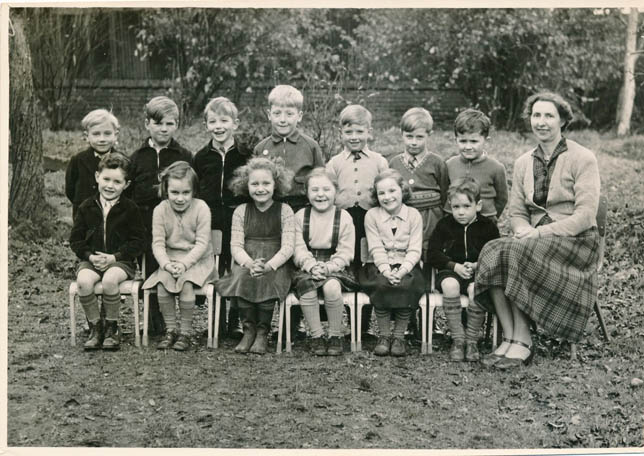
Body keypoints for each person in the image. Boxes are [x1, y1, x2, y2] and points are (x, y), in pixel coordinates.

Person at [475, 91, 601, 369]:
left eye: (548, 116)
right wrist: (522, 229)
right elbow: (517, 211)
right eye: (536, 115)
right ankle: (508, 336)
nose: (541, 122)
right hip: (532, 239)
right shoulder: (523, 162)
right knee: (493, 250)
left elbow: (585, 216)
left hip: (576, 242)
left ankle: (524, 341)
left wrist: (538, 233)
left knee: (519, 251)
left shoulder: (583, 158)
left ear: (563, 121)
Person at [253, 84, 324, 339]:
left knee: (297, 264)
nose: (283, 119)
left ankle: (294, 325)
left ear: (300, 116)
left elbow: (320, 179)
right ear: (269, 114)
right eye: (278, 113)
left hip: (301, 210)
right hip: (271, 211)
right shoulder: (262, 146)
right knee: (274, 262)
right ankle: (269, 322)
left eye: (289, 114)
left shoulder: (310, 146)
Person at [126, 96, 192, 335]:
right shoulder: (136, 158)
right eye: (158, 123)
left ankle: (175, 321)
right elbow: (130, 193)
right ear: (147, 124)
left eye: (169, 124)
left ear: (176, 126)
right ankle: (154, 320)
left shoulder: (183, 155)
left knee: (174, 267)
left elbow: (191, 190)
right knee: (151, 271)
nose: (163, 129)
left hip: (175, 224)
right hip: (145, 224)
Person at [215, 157, 295, 354]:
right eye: (255, 184)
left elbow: (288, 247)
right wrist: (249, 264)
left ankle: (262, 332)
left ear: (276, 185)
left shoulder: (285, 210)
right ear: (246, 185)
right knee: (243, 277)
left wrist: (269, 265)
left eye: (266, 183)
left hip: (276, 262)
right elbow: (235, 246)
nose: (261, 188)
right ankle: (248, 330)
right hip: (248, 259)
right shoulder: (241, 211)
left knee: (268, 279)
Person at [69, 152, 146, 351]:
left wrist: (115, 257)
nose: (110, 185)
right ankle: (96, 327)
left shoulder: (130, 209)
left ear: (126, 185)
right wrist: (90, 256)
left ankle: (112, 327)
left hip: (121, 262)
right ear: (97, 177)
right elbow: (75, 240)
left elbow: (138, 241)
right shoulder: (86, 207)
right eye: (106, 179)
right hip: (91, 260)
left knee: (111, 279)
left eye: (117, 181)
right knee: (84, 282)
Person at [326, 104, 389, 338]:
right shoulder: (334, 163)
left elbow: (387, 190)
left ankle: (361, 328)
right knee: (345, 266)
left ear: (369, 132)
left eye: (360, 132)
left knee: (367, 268)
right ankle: (341, 321)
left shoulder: (379, 161)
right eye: (349, 132)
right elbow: (327, 192)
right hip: (343, 221)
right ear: (340, 133)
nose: (354, 137)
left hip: (370, 221)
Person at [192, 97, 251, 338]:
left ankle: (235, 320)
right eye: (213, 121)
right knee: (215, 268)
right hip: (211, 220)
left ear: (235, 124)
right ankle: (215, 320)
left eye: (224, 120)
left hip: (237, 220)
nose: (219, 126)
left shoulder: (245, 154)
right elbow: (195, 189)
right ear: (206, 124)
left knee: (235, 267)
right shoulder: (202, 156)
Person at [142, 161, 215, 351]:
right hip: (170, 260)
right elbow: (158, 244)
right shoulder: (160, 210)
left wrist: (184, 264)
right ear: (166, 190)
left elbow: (202, 244)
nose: (180, 198)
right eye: (174, 193)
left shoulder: (201, 208)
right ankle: (171, 330)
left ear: (194, 191)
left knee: (186, 283)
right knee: (162, 283)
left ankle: (186, 332)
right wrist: (166, 264)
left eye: (186, 193)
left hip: (198, 260)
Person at [427, 177, 500, 362]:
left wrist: (477, 265)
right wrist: (454, 266)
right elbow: (433, 254)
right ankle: (458, 340)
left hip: (479, 272)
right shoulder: (444, 225)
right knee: (450, 286)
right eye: (456, 207)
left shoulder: (488, 226)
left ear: (478, 205)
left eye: (466, 206)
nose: (460, 212)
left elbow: (496, 255)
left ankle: (472, 340)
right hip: (451, 270)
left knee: (475, 290)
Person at [358, 169, 425, 357]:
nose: (387, 197)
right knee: (381, 283)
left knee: (408, 284)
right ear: (376, 195)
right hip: (379, 264)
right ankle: (384, 336)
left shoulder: (413, 215)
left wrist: (402, 270)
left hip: (407, 264)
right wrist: (387, 271)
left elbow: (415, 249)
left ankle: (398, 336)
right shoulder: (372, 215)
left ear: (402, 190)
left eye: (392, 191)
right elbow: (376, 248)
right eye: (381, 193)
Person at [292, 168, 357, 356]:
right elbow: (298, 248)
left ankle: (335, 335)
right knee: (307, 286)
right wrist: (311, 265)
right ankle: (316, 336)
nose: (321, 195)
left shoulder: (343, 217)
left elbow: (346, 251)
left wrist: (328, 267)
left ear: (335, 191)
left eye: (326, 189)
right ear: (307, 192)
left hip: (336, 266)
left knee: (332, 288)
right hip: (307, 265)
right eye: (315, 190)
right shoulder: (300, 216)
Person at [388, 107, 448, 259]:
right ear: (401, 134)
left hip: (431, 218)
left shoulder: (437, 162)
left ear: (429, 135)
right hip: (403, 217)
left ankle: (430, 280)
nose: (414, 142)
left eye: (419, 137)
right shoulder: (394, 163)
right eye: (409, 136)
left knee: (430, 250)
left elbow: (445, 193)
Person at [445, 108, 508, 224]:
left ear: (486, 141)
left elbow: (502, 198)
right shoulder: (449, 165)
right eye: (463, 141)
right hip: (455, 219)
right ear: (456, 140)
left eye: (474, 141)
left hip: (485, 219)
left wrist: (490, 215)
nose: (468, 147)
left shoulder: (496, 168)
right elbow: (445, 193)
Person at [65, 109, 120, 220]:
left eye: (107, 134)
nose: (102, 139)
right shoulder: (78, 160)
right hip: (84, 217)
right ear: (87, 136)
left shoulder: (122, 161)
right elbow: (70, 189)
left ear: (116, 135)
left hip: (113, 216)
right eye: (96, 134)